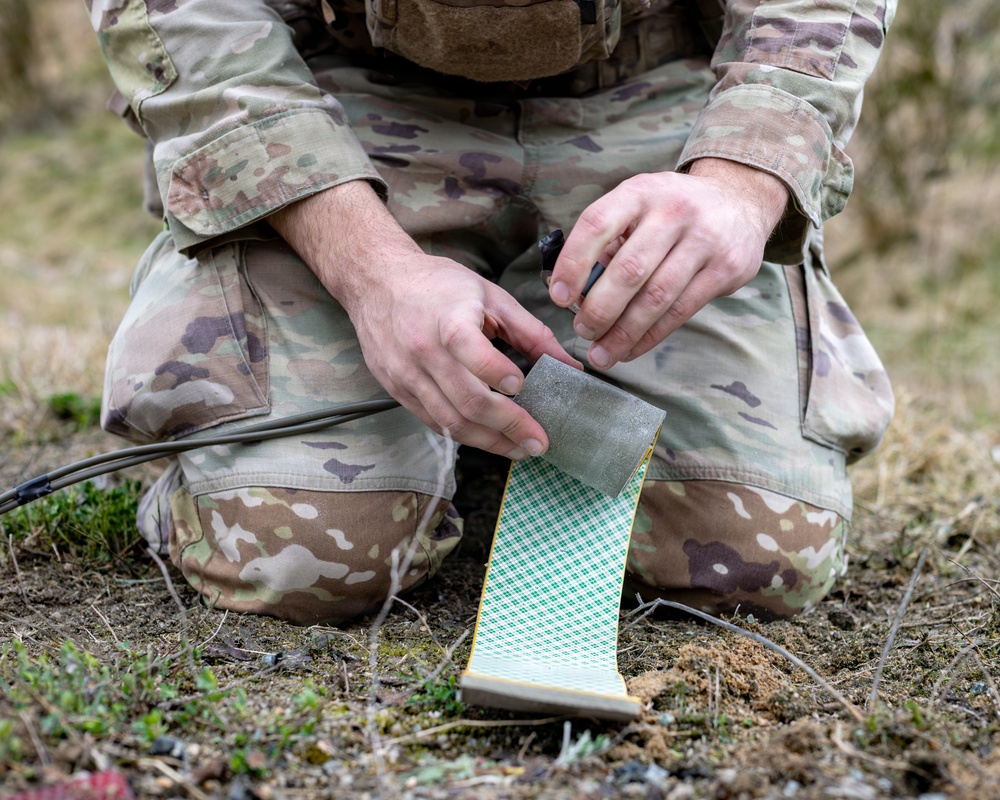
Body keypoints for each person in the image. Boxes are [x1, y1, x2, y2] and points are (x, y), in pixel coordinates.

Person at [89, 0, 896, 624]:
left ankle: (470, 416)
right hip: (338, 112)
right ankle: (280, 421)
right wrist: (372, 272)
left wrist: (740, 181)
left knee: (755, 557)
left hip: (657, 104)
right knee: (297, 555)